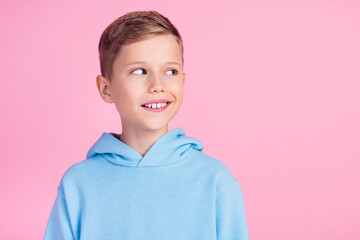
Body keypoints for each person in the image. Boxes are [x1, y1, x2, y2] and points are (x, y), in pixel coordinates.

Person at [44, 10, 249, 240]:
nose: (157, 85)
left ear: (183, 81)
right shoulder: (77, 185)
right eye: (139, 71)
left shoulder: (216, 181)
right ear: (106, 89)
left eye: (170, 71)